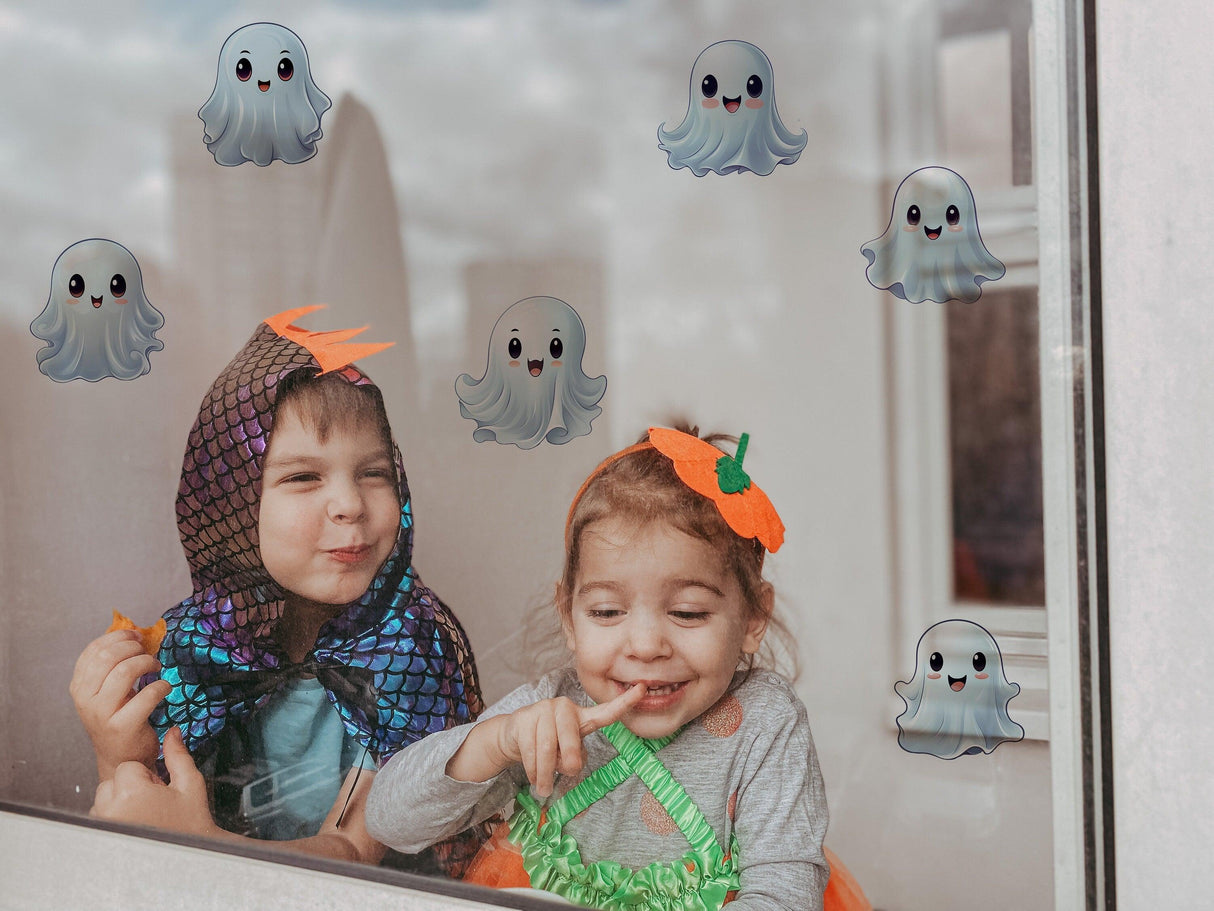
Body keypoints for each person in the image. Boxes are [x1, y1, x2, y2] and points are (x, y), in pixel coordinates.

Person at [69, 306, 482, 865]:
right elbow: (136, 823)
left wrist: (205, 847)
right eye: (303, 477)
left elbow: (357, 851)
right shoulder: (189, 649)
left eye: (374, 472)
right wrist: (119, 753)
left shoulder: (411, 646)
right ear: (231, 505)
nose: (350, 504)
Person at [365, 425, 831, 909]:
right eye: (607, 612)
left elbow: (784, 896)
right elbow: (389, 822)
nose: (647, 646)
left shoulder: (766, 723)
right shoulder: (547, 710)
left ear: (753, 617)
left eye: (688, 612)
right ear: (569, 617)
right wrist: (497, 742)